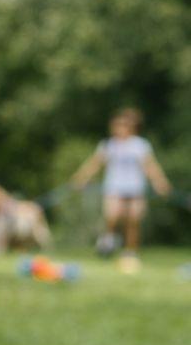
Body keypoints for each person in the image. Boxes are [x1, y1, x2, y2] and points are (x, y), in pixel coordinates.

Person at [71, 109, 172, 265]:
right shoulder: (108, 145)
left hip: (135, 188)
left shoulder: (140, 145)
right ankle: (108, 241)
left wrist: (160, 181)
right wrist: (82, 177)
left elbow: (150, 166)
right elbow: (95, 163)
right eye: (117, 125)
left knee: (133, 220)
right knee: (112, 216)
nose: (119, 128)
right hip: (114, 188)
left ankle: (130, 253)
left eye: (123, 125)